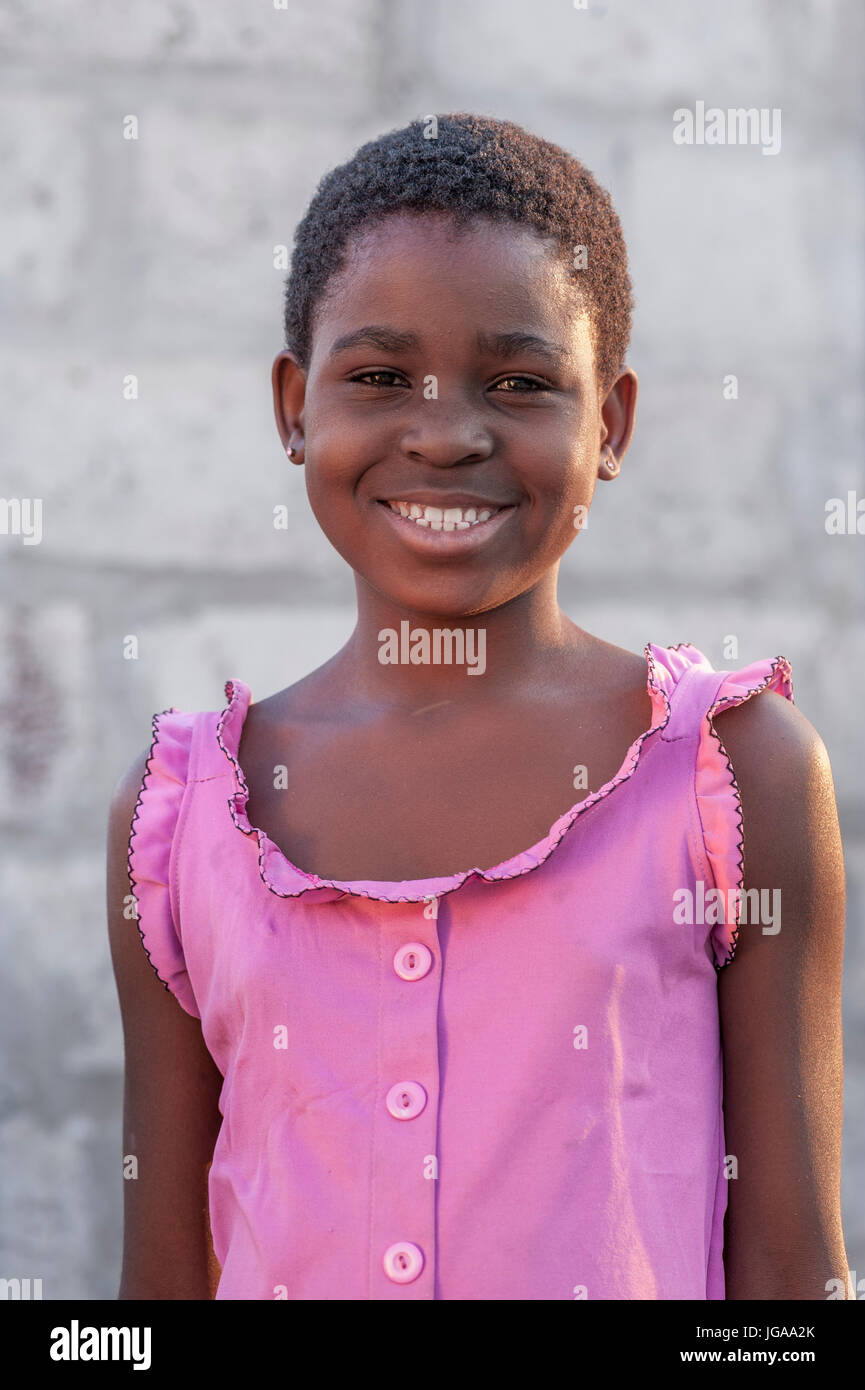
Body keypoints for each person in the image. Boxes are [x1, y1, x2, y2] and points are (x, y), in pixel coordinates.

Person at [107, 113, 849, 1300]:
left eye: (517, 382)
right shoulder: (183, 815)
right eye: (381, 376)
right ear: (295, 405)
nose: (446, 433)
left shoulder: (731, 773)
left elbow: (793, 1277)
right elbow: (157, 1293)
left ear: (607, 422)